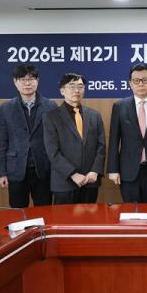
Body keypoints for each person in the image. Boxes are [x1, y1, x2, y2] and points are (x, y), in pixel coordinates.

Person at [107, 64, 147, 203]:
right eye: (136, 80)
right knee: (131, 212)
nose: (141, 84)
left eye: (145, 80)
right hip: (128, 171)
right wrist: (113, 169)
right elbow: (114, 141)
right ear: (130, 83)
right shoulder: (119, 106)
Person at [0, 65, 56, 208]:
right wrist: (1, 173)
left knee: (44, 210)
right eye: (22, 79)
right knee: (18, 211)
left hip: (43, 168)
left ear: (37, 81)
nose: (27, 83)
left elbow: (55, 140)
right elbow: (1, 142)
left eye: (31, 79)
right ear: (15, 82)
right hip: (15, 169)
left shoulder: (50, 106)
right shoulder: (6, 108)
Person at [43, 73, 106, 204]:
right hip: (64, 182)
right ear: (62, 91)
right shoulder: (51, 117)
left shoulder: (94, 115)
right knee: (64, 217)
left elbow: (101, 147)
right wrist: (73, 174)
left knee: (90, 217)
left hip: (90, 180)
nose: (76, 90)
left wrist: (95, 171)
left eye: (80, 86)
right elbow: (52, 151)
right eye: (72, 86)